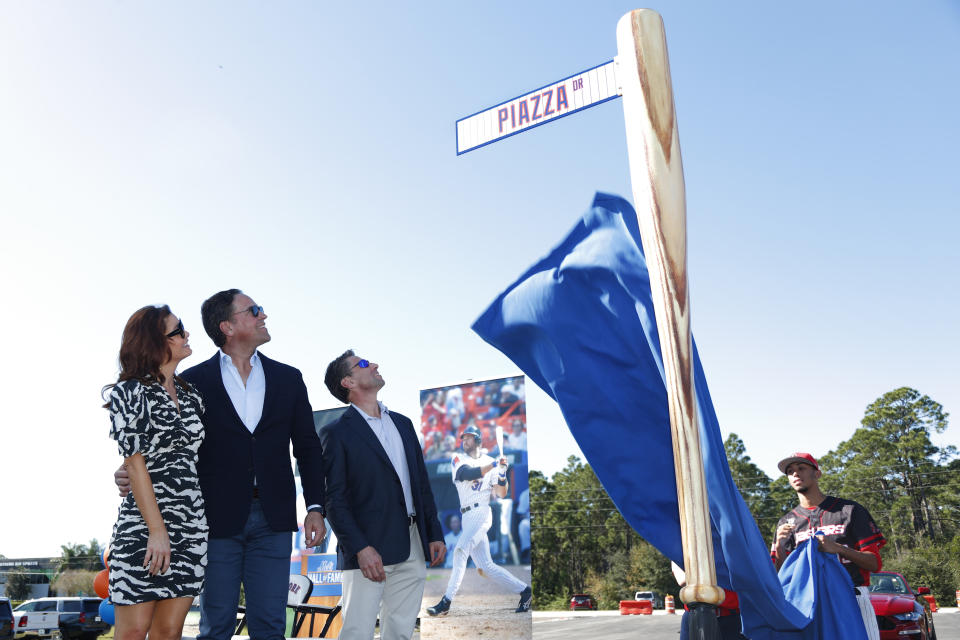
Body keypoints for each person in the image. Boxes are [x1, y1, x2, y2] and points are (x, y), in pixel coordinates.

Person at [115, 289, 327, 640]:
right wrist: (128, 470)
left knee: (271, 625)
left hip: (274, 520)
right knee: (216, 627)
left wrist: (316, 506)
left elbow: (308, 447)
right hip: (210, 521)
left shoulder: (289, 378)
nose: (263, 315)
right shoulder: (192, 382)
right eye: (254, 310)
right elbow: (161, 444)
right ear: (227, 326)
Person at [320, 350, 445, 640]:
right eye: (363, 364)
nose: (374, 364)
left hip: (412, 543)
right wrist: (360, 548)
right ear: (348, 382)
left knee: (401, 631)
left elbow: (421, 485)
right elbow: (334, 499)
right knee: (357, 632)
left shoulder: (403, 424)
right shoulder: (336, 433)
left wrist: (433, 532)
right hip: (367, 549)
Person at [104, 305, 207, 640]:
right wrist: (157, 531)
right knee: (133, 631)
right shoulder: (130, 392)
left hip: (191, 526)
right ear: (154, 342)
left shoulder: (193, 397)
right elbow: (134, 463)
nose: (187, 334)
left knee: (169, 632)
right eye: (178, 331)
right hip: (144, 528)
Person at [772, 452, 885, 640]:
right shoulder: (787, 521)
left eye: (801, 468)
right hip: (807, 605)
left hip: (852, 597)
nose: (795, 474)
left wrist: (838, 549)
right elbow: (780, 576)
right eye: (790, 472)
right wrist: (780, 548)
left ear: (817, 474)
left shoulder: (849, 511)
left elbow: (875, 564)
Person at [425, 425, 532, 617]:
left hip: (482, 513)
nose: (464, 440)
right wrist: (493, 466)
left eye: (468, 437)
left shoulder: (491, 461)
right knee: (486, 567)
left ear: (478, 440)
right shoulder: (458, 459)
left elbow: (501, 492)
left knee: (460, 551)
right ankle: (525, 591)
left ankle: (446, 601)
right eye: (463, 438)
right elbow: (467, 474)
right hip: (467, 516)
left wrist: (501, 473)